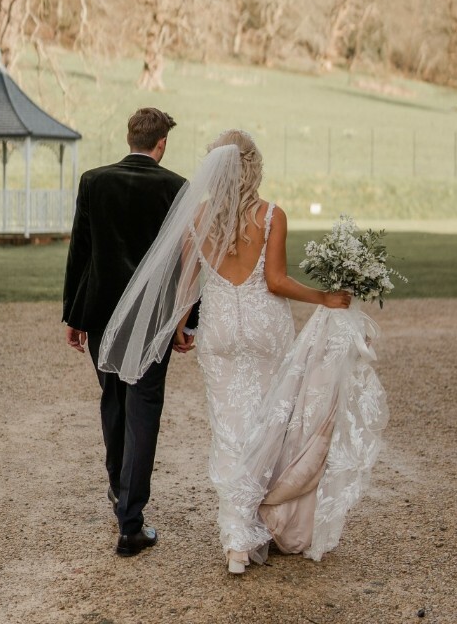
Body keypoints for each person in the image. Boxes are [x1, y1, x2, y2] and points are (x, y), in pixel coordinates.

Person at [99, 129, 388, 574]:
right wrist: (323, 297)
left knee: (229, 431)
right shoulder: (271, 215)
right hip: (264, 329)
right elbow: (275, 281)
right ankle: (261, 520)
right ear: (253, 167)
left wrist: (180, 325)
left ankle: (237, 541)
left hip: (218, 332)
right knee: (268, 425)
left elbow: (186, 282)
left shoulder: (197, 217)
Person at [62, 107, 188, 557]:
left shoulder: (94, 181)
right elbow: (180, 264)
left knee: (113, 398)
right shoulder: (177, 188)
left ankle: (120, 491)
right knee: (144, 408)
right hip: (152, 320)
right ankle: (130, 523)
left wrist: (73, 316)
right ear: (162, 143)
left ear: (130, 137)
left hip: (102, 316)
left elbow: (82, 251)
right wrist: (184, 322)